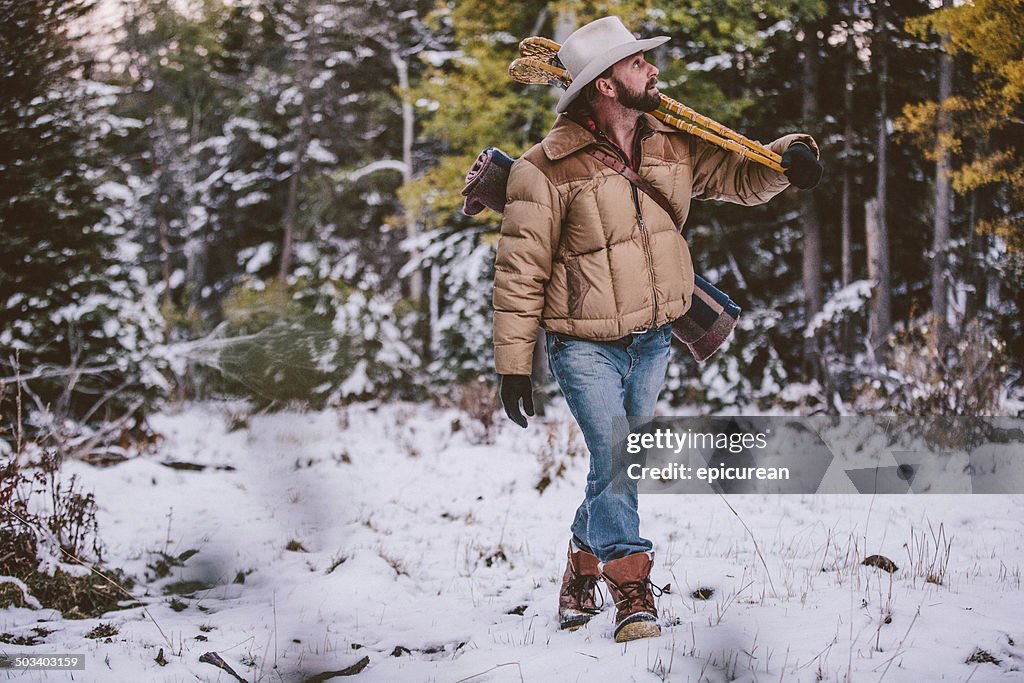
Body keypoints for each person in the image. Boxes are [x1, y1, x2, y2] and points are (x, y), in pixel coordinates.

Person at [492, 16, 822, 643]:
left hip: (652, 338)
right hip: (582, 342)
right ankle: (632, 587)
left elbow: (740, 178)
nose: (654, 69)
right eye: (639, 62)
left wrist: (787, 165)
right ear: (607, 85)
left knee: (616, 459)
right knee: (617, 455)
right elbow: (519, 271)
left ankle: (579, 563)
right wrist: (513, 362)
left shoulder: (671, 143)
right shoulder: (544, 169)